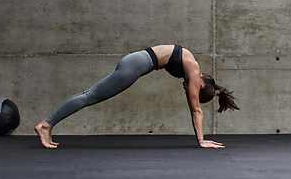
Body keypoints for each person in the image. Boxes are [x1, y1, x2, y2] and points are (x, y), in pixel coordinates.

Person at [35, 45, 239, 149]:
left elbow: (193, 105)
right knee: (90, 97)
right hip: (134, 66)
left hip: (136, 62)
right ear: (201, 84)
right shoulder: (194, 71)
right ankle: (47, 124)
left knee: (89, 96)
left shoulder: (191, 65)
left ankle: (48, 124)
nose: (187, 91)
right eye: (191, 91)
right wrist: (201, 140)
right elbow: (195, 109)